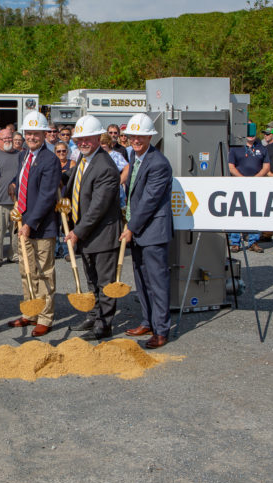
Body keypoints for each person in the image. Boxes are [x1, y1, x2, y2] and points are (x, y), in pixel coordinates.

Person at [64, 115, 122, 341]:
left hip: (103, 235)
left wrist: (77, 232)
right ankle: (94, 316)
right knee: (91, 280)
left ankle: (104, 325)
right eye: (79, 140)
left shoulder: (105, 167)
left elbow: (98, 208)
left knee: (105, 283)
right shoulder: (84, 159)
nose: (82, 143)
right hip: (87, 234)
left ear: (99, 138)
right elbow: (74, 183)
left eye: (87, 139)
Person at [6, 111, 62, 337]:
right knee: (26, 270)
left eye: (35, 133)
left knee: (44, 271)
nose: (31, 137)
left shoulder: (50, 160)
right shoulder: (23, 156)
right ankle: (31, 311)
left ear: (44, 134)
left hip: (41, 226)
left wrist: (30, 223)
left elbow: (47, 196)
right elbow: (24, 182)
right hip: (23, 225)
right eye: (28, 133)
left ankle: (45, 317)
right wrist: (13, 185)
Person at [120, 114, 174, 350]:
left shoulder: (159, 163)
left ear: (150, 136)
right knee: (142, 280)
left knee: (157, 282)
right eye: (132, 136)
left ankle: (161, 331)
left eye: (140, 136)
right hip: (139, 228)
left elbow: (150, 201)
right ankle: (147, 321)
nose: (136, 140)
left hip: (152, 230)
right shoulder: (134, 155)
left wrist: (131, 227)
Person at [227, 129, 270, 253]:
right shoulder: (235, 148)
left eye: (253, 133)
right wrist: (243, 179)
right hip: (238, 185)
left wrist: (255, 179)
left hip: (257, 186)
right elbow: (231, 167)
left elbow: (266, 167)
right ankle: (235, 242)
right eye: (248, 133)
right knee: (236, 213)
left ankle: (253, 241)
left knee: (255, 213)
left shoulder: (262, 148)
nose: (251, 136)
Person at [0, 128, 20, 266]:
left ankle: (14, 254)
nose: (8, 140)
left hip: (17, 202)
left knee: (15, 231)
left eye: (10, 138)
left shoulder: (21, 155)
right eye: (4, 138)